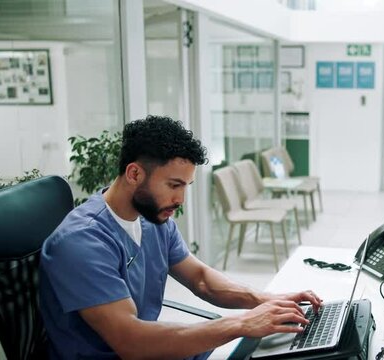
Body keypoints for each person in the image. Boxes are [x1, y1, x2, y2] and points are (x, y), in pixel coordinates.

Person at [39, 115, 322, 359]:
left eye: (186, 185)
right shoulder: (80, 242)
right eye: (174, 185)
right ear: (134, 173)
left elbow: (200, 278)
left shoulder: (153, 219)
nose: (180, 199)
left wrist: (267, 301)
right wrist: (242, 323)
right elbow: (132, 342)